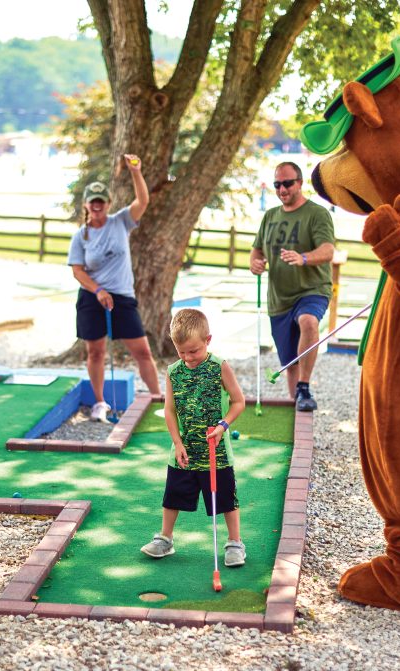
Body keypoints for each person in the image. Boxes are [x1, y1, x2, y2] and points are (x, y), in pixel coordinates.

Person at [140, 308, 247, 567]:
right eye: (182, 351)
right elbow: (169, 409)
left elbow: (238, 401)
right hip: (184, 450)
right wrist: (177, 443)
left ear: (208, 340)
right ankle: (165, 539)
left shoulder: (219, 367)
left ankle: (235, 543)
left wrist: (222, 425)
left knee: (225, 500)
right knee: (173, 496)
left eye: (194, 351)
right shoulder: (173, 371)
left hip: (216, 451)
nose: (188, 357)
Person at [68, 154, 160, 423]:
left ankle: (158, 399)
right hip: (91, 298)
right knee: (95, 352)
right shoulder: (81, 236)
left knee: (142, 351)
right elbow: (77, 271)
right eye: (92, 202)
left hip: (122, 297)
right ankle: (99, 403)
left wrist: (136, 171)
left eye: (101, 201)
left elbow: (143, 201)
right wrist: (97, 290)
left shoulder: (121, 221)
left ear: (108, 203)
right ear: (86, 204)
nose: (97, 206)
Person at [249, 161, 335, 411]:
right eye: (277, 184)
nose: (282, 189)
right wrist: (255, 263)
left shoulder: (317, 214)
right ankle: (297, 407)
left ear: (299, 183)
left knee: (308, 321)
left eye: (287, 183)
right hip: (279, 298)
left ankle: (304, 387)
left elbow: (328, 250)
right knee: (289, 363)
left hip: (312, 289)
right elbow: (256, 250)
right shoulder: (270, 216)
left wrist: (304, 258)